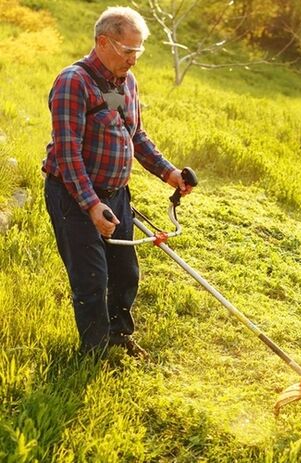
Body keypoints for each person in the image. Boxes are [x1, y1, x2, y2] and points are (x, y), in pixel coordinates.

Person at [43, 6, 193, 356]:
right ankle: (93, 355)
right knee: (92, 280)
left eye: (138, 51)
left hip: (116, 195)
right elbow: (68, 155)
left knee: (124, 273)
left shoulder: (122, 82)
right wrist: (92, 206)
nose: (134, 60)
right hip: (74, 196)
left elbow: (134, 133)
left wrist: (169, 173)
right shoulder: (73, 83)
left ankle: (118, 336)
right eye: (128, 51)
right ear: (102, 42)